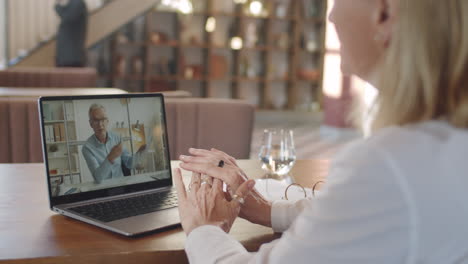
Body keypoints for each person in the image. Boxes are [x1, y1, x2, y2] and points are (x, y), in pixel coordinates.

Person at [173, 0, 468, 263]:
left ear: (384, 13)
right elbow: (366, 214)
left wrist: (203, 229)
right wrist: (268, 210)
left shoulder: (389, 165)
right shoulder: (446, 143)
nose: (332, 17)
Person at [82, 104, 145, 184]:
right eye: (96, 120)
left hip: (121, 185)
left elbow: (129, 163)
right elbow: (98, 178)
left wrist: (140, 153)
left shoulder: (117, 138)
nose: (100, 124)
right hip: (104, 189)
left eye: (103, 119)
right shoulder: (87, 148)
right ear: (91, 124)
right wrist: (110, 158)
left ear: (107, 121)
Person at [55, 0, 88, 67]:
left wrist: (57, 6)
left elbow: (68, 18)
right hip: (67, 56)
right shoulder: (73, 3)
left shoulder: (78, 2)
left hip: (71, 57)